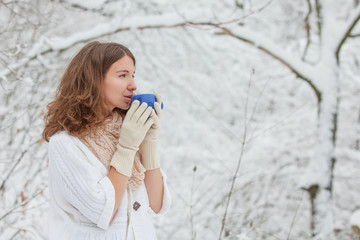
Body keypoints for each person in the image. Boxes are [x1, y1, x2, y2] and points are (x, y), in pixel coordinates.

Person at [42, 41, 171, 239]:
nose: (133, 85)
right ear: (94, 79)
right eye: (122, 75)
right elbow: (102, 210)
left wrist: (148, 141)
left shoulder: (126, 131)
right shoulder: (67, 144)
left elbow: (156, 204)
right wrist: (126, 147)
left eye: (133, 75)